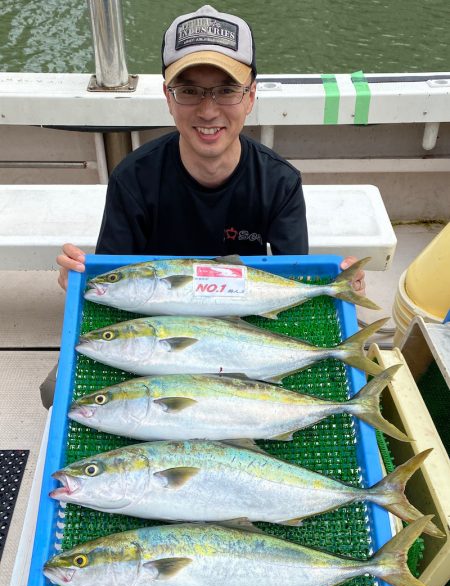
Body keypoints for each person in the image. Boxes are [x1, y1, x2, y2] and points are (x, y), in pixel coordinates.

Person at [44, 5, 363, 408]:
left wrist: (337, 284)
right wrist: (76, 279)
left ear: (251, 96)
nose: (208, 111)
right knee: (56, 394)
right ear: (168, 97)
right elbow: (111, 279)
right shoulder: (133, 178)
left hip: (242, 340)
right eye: (190, 90)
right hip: (158, 350)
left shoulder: (279, 181)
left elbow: (289, 278)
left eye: (226, 90)